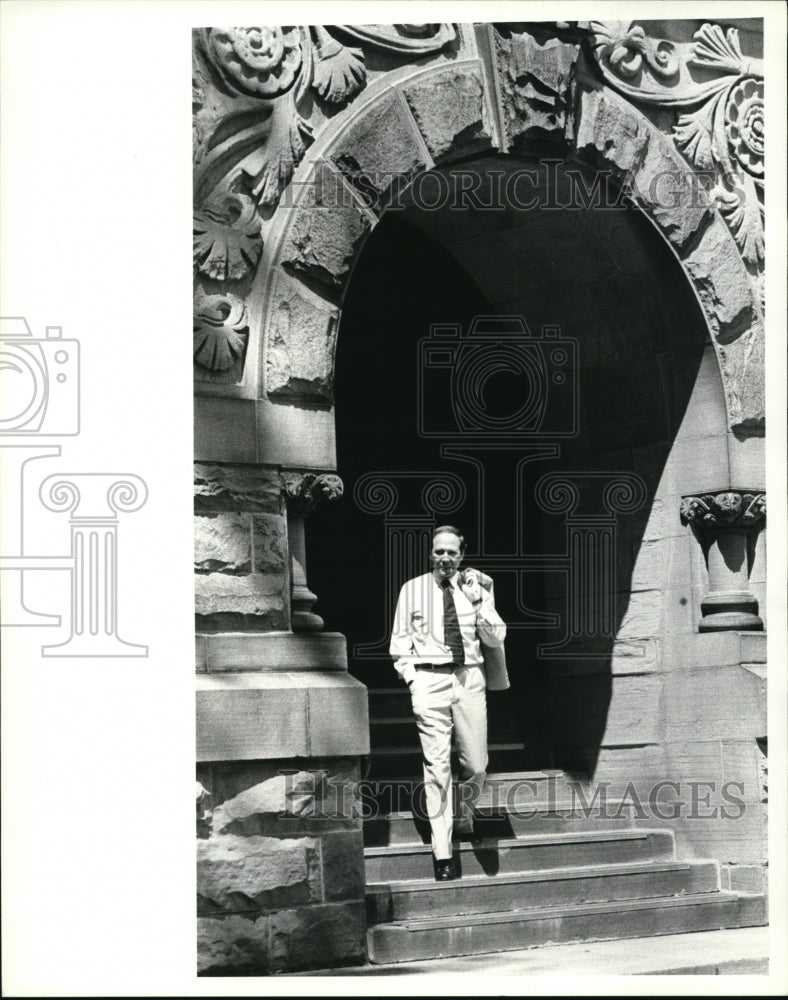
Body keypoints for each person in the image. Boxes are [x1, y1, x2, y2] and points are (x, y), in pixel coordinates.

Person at [389, 525, 507, 881]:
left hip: (468, 678)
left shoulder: (477, 588)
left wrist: (478, 600)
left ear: (462, 555)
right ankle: (443, 852)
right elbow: (399, 643)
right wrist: (413, 679)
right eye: (439, 552)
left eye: (451, 553)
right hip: (429, 680)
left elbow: (496, 635)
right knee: (437, 767)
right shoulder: (412, 589)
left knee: (477, 763)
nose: (445, 559)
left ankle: (463, 814)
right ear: (431, 554)